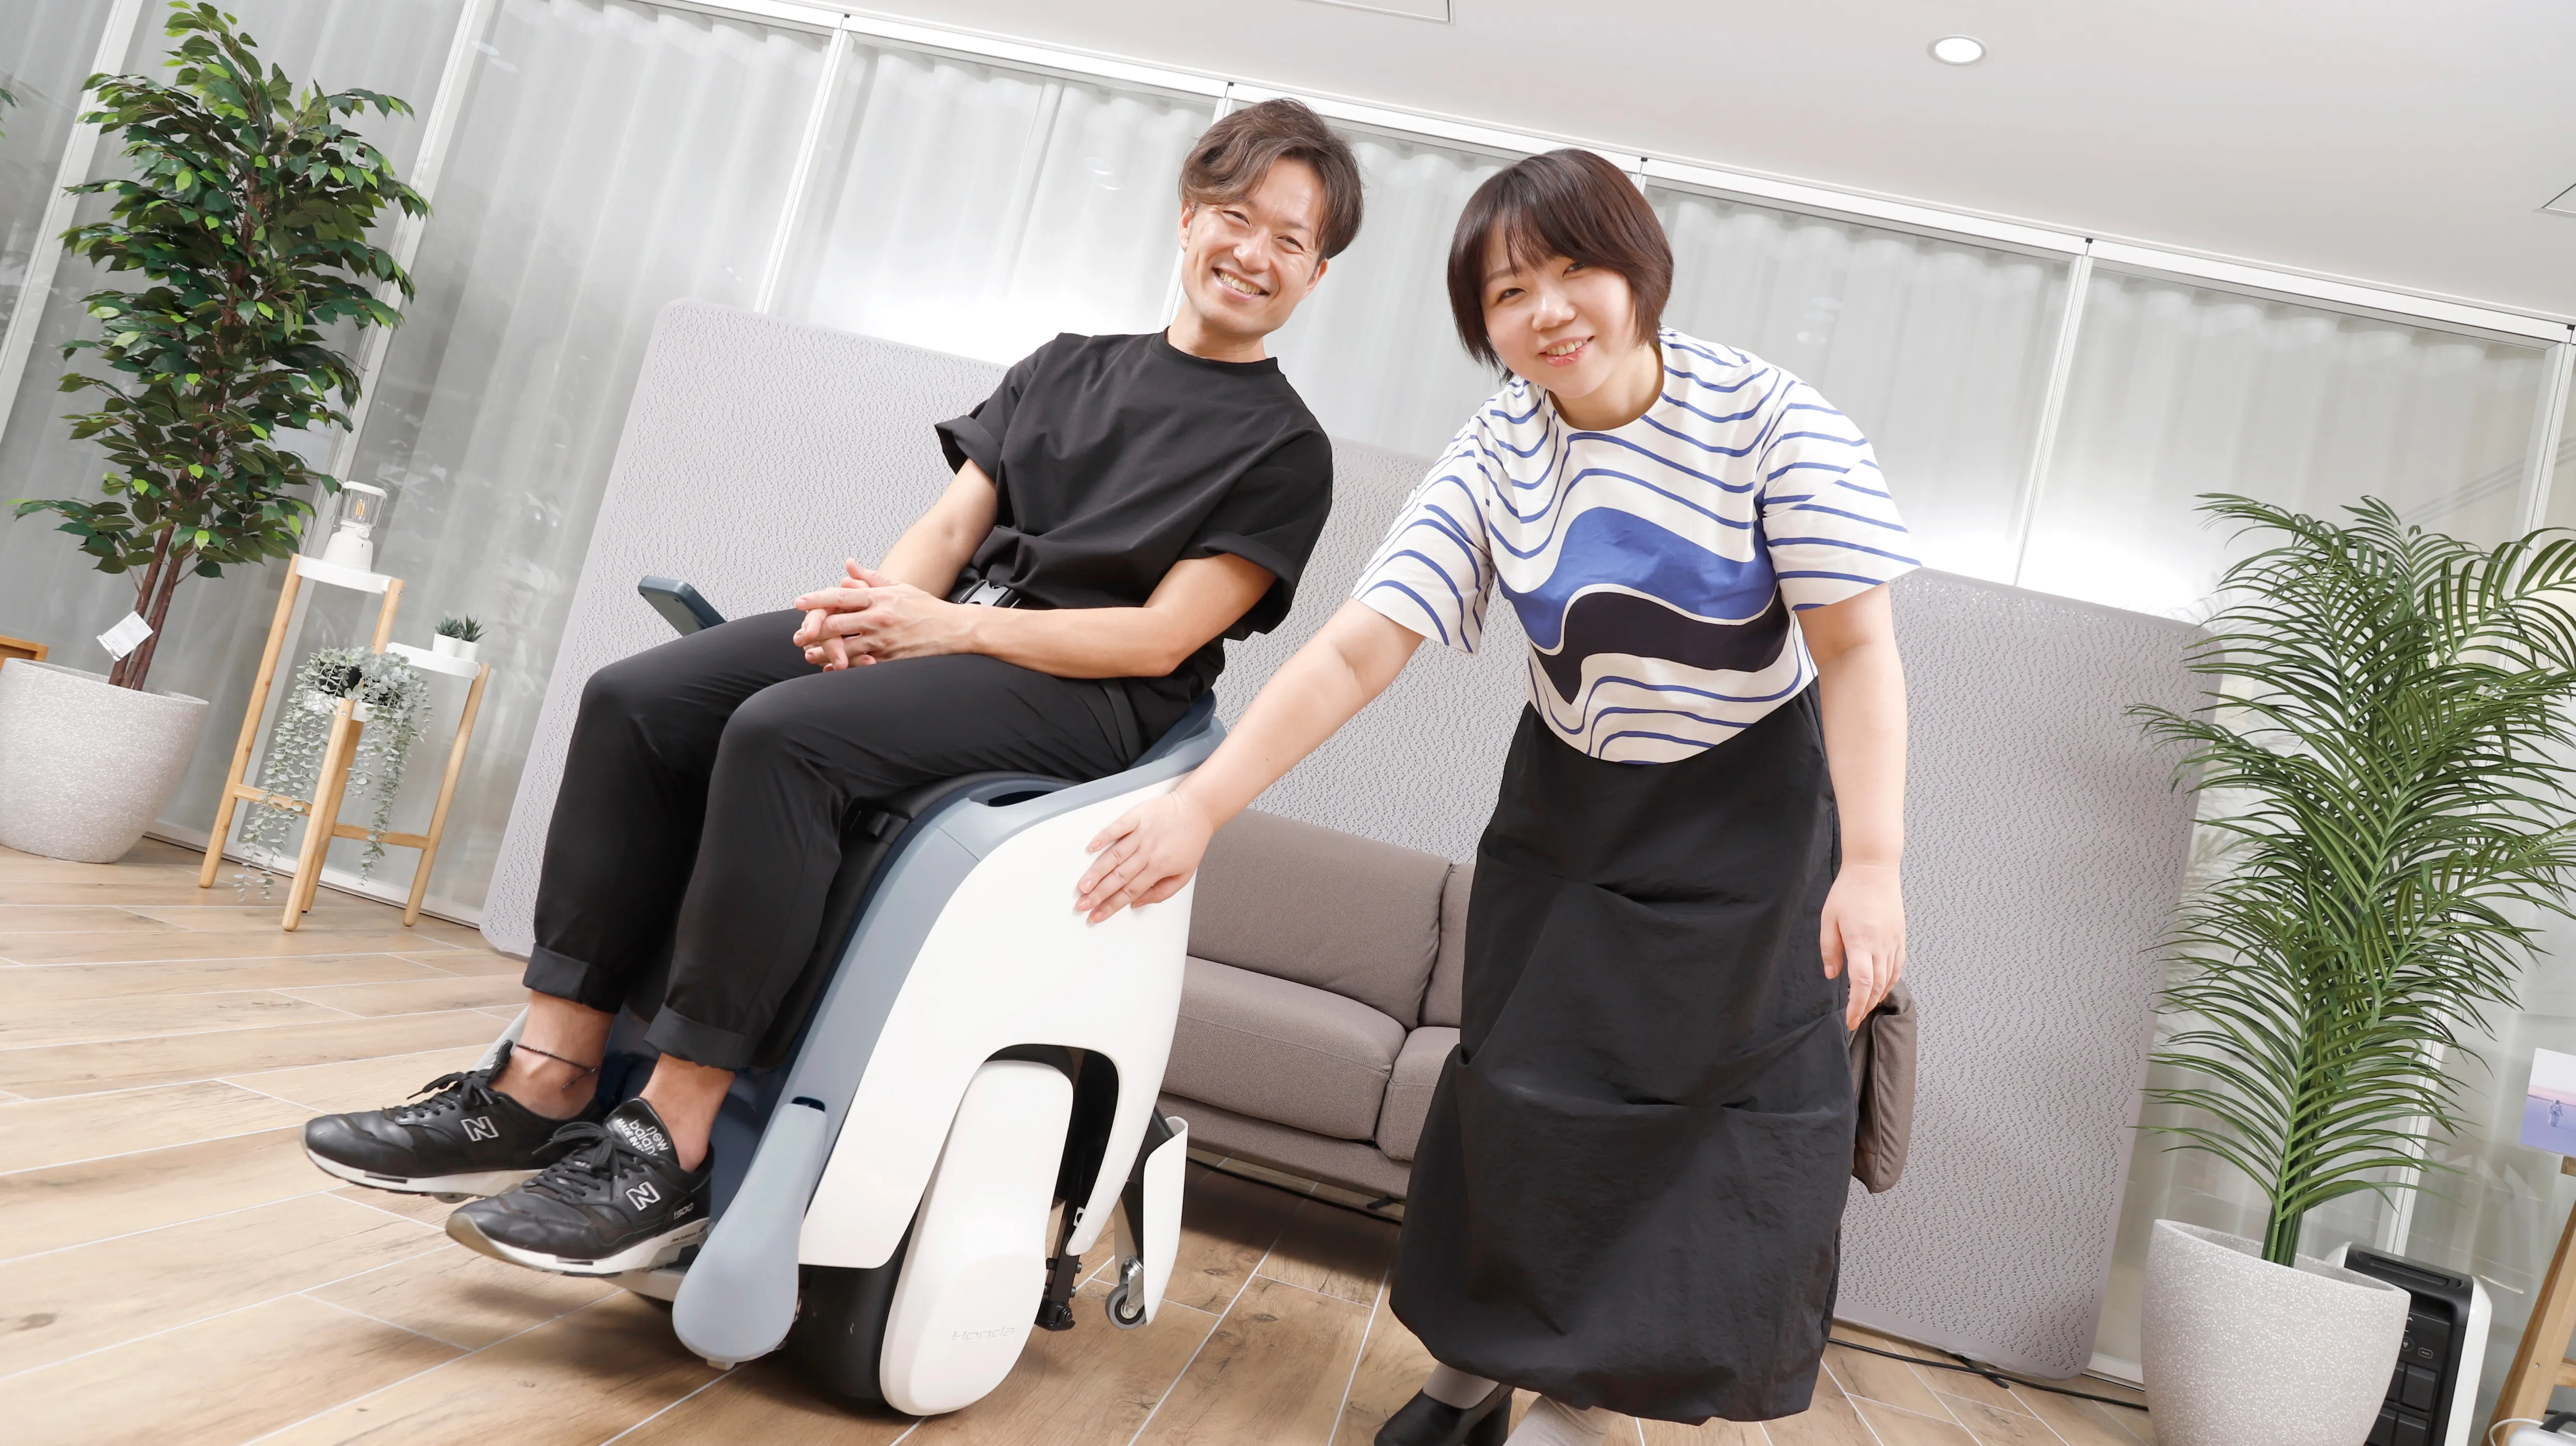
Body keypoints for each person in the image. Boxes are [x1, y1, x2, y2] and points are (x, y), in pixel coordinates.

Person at [299, 98, 1365, 1278]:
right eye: (1236, 217)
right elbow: (952, 524)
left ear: (1317, 275)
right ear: (1186, 216)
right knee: (635, 699)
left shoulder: (1284, 448)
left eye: (1290, 240)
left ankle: (674, 1139)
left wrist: (941, 627)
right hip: (965, 633)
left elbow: (1164, 636)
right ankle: (540, 1082)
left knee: (784, 737)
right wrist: (872, 620)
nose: (1254, 254)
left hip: (1091, 695)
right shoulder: (1067, 367)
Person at [1075, 149, 1911, 1445]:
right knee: (1519, 1088)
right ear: (1484, 327)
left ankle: (1577, 1399)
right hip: (1571, 806)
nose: (1550, 308)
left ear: (1640, 273)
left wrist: (1873, 863)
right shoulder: (1497, 450)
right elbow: (1360, 643)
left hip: (1750, 812)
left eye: (1577, 267)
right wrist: (1199, 806)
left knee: (1692, 1116)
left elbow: (1856, 649)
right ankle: (1472, 1366)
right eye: (1511, 290)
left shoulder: (1768, 418)